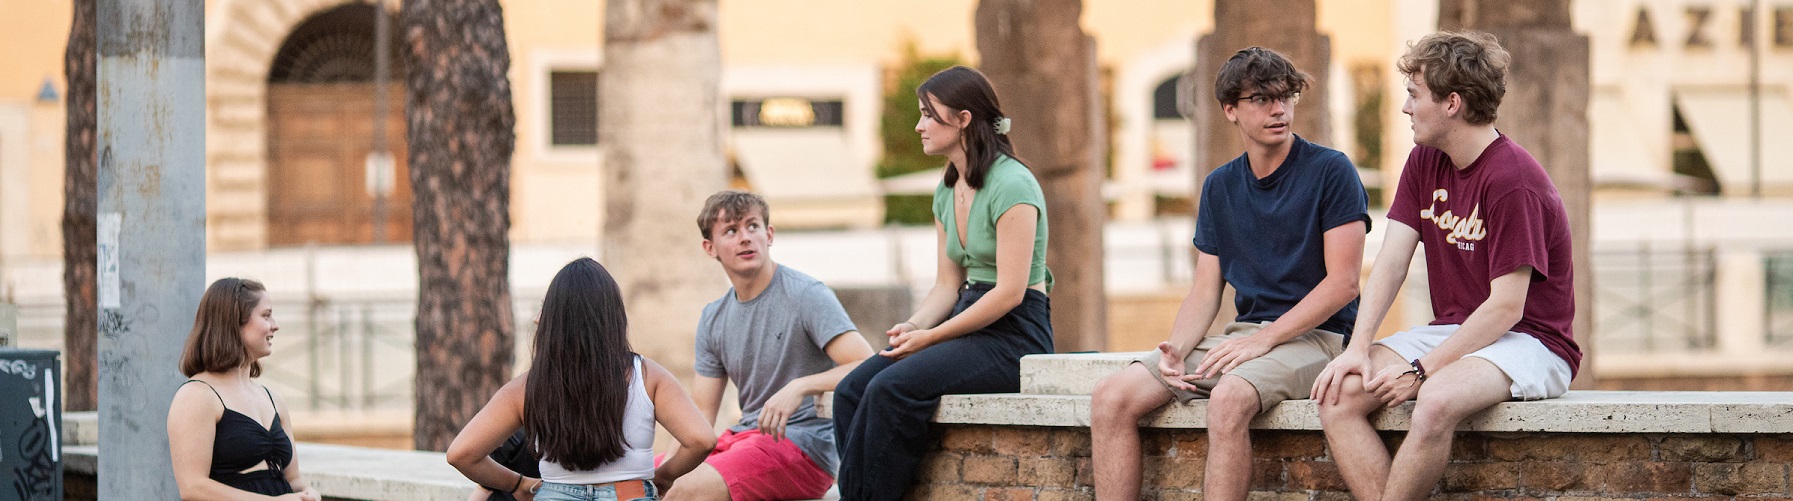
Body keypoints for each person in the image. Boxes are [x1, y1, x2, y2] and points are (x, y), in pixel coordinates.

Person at [1087, 47, 1369, 501]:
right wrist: (1176, 350)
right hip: (1244, 338)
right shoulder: (1220, 185)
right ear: (1230, 110)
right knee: (1111, 397)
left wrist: (1266, 338)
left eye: (1286, 96)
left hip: (1319, 338)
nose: (1279, 109)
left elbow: (1343, 284)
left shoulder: (1330, 170)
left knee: (1229, 398)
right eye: (1261, 99)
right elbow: (1204, 291)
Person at [1311, 31, 1581, 501]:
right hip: (1458, 329)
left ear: (1452, 102)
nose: (1405, 108)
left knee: (1434, 401)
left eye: (1415, 95)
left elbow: (1506, 309)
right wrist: (1357, 347)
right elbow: (1392, 262)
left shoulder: (1513, 182)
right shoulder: (1424, 161)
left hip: (1533, 340)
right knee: (1339, 396)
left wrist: (1421, 371)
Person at [830, 65, 1054, 501]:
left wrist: (933, 336)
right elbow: (947, 286)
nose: (919, 126)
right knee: (851, 389)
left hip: (1014, 335)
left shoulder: (1014, 185)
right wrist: (915, 328)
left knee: (891, 388)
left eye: (929, 115)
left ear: (965, 119)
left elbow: (1009, 292)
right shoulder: (947, 188)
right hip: (965, 321)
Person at [659, 190, 876, 501]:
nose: (745, 238)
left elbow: (866, 364)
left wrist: (800, 386)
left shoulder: (806, 295)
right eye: (731, 231)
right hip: (742, 439)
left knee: (687, 491)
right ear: (710, 248)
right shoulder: (713, 318)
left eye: (752, 227)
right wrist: (668, 468)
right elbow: (701, 414)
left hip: (803, 448)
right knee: (636, 483)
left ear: (769, 234)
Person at [447, 258, 717, 501]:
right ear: (614, 316)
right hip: (629, 494)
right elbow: (702, 439)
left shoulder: (527, 387)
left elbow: (461, 454)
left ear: (553, 320)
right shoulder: (647, 375)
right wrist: (664, 476)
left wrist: (517, 484)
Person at [168, 278, 322, 501]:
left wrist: (308, 492)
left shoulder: (273, 399)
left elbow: (292, 479)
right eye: (266, 315)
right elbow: (193, 488)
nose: (275, 325)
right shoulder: (197, 396)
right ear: (234, 322)